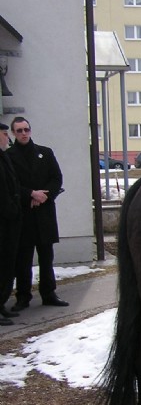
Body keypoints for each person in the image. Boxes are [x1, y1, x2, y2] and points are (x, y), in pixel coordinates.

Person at [7, 116, 69, 310]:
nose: (24, 133)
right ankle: (23, 296)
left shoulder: (45, 153)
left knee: (46, 257)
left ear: (30, 130)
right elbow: (11, 184)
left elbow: (56, 178)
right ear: (13, 133)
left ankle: (49, 293)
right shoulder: (9, 156)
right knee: (23, 259)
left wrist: (43, 196)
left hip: (44, 213)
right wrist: (30, 194)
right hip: (24, 215)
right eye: (19, 131)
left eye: (26, 129)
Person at [0, 121, 21, 325]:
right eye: (5, 133)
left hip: (9, 222)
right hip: (4, 220)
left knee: (7, 265)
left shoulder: (4, 156)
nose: (8, 137)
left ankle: (2, 305)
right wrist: (11, 210)